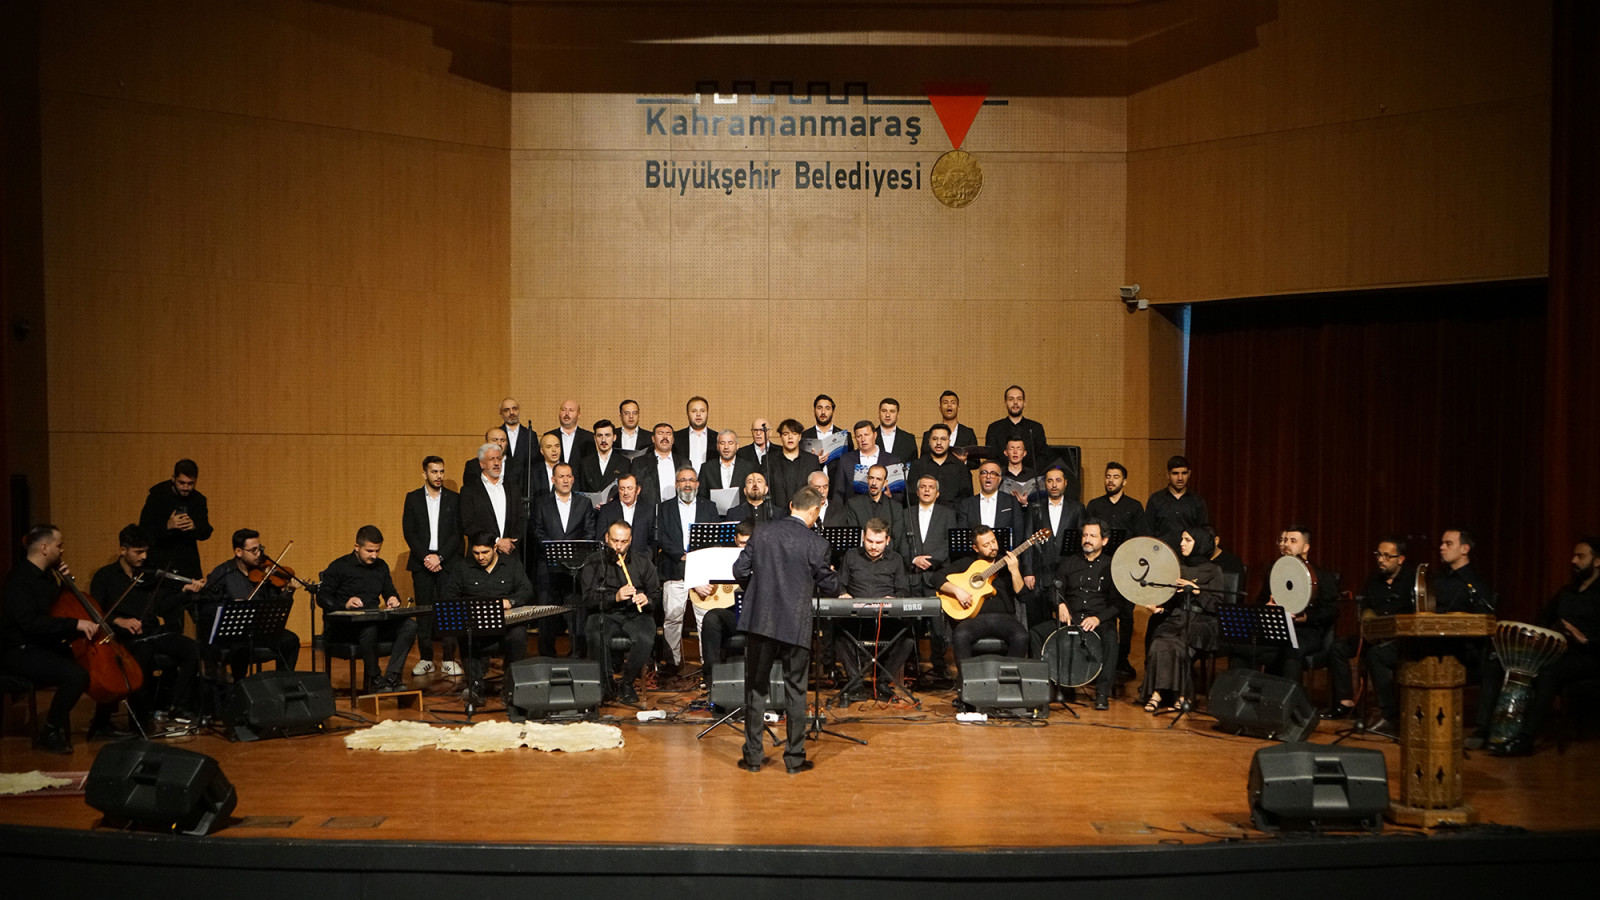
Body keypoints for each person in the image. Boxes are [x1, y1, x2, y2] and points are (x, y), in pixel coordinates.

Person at [733, 486, 839, 773]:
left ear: (791, 505)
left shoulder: (763, 532)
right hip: (796, 624)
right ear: (815, 511)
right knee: (796, 690)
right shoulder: (816, 543)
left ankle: (753, 758)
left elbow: (739, 570)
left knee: (755, 689)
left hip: (761, 621)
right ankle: (793, 759)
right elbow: (830, 585)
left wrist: (758, 589)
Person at [2, 525, 112, 753]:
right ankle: (50, 732)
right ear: (44, 548)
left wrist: (66, 582)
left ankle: (102, 723)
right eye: (59, 545)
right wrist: (75, 624)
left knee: (92, 662)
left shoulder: (48, 577)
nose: (62, 550)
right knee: (76, 675)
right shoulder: (19, 580)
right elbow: (31, 623)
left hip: (41, 645)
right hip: (19, 651)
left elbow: (59, 609)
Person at [90, 525, 204, 725]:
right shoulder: (105, 577)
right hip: (124, 637)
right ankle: (140, 719)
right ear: (123, 550)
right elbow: (95, 613)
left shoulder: (149, 575)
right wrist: (119, 620)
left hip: (152, 632)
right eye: (138, 552)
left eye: (146, 551)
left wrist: (183, 592)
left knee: (193, 649)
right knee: (143, 656)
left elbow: (162, 607)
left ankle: (177, 706)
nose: (143, 557)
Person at [1500, 537, 1600, 754]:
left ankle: (1526, 740)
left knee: (1549, 673)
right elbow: (1544, 618)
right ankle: (1503, 732)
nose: (1574, 561)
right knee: (1522, 665)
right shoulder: (1567, 592)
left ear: (1597, 561)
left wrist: (1585, 639)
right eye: (1574, 556)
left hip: (1591, 657)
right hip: (1563, 652)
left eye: (1580, 556)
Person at [318, 526, 419, 694]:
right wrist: (345, 604)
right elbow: (322, 597)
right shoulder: (340, 566)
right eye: (370, 551)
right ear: (357, 547)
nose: (374, 555)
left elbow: (389, 591)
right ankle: (375, 678)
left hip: (373, 622)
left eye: (377, 551)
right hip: (345, 628)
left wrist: (392, 598)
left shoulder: (381, 566)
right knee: (369, 628)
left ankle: (392, 676)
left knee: (410, 626)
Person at [1029, 519, 1117, 710]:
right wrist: (1060, 604)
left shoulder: (1113, 566)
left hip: (1098, 620)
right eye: (1085, 535)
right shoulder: (1069, 563)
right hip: (1071, 617)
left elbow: (1118, 604)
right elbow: (1055, 589)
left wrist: (1098, 618)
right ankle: (1044, 687)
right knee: (1035, 633)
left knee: (1111, 638)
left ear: (1104, 540)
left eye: (1092, 536)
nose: (1087, 539)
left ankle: (1102, 693)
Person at [195, 529, 302, 682]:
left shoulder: (264, 573)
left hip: (258, 629)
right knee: (241, 648)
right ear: (238, 552)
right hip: (234, 632)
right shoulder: (223, 573)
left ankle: (281, 683)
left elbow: (274, 603)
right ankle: (240, 686)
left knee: (290, 641)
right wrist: (229, 608)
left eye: (260, 549)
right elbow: (205, 605)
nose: (259, 554)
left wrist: (288, 591)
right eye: (253, 550)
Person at [441, 532, 534, 706]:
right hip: (476, 627)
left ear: (495, 548)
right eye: (476, 553)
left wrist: (511, 602)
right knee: (465, 633)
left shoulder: (511, 565)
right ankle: (475, 687)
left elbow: (526, 590)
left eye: (485, 552)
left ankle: (510, 686)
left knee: (519, 634)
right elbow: (449, 594)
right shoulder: (462, 567)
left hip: (505, 627)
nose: (480, 557)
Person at [1332, 537, 1415, 730]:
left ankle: (1388, 714)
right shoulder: (1373, 580)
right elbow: (1366, 609)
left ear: (1400, 559)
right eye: (1378, 555)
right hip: (1374, 635)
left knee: (1375, 655)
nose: (1380, 560)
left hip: (1400, 639)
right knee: (1338, 647)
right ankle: (1346, 702)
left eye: (1387, 556)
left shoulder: (1412, 580)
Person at [1140, 525, 1222, 712]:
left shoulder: (1214, 570)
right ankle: (1157, 693)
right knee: (1159, 642)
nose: (1181, 543)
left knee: (1178, 645)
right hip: (1178, 617)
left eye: (1188, 540)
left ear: (1200, 543)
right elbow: (1171, 600)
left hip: (1203, 621)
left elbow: (1217, 606)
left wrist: (1197, 591)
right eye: (1182, 539)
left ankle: (1182, 696)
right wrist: (1160, 608)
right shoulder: (1178, 568)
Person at [580, 522, 662, 704]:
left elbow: (656, 594)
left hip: (635, 614)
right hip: (604, 613)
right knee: (595, 634)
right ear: (606, 538)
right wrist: (615, 597)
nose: (618, 546)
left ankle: (627, 683)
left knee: (645, 638)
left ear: (630, 540)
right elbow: (588, 599)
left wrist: (647, 599)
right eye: (615, 541)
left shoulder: (642, 561)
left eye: (624, 542)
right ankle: (606, 684)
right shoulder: (594, 561)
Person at [833, 518, 912, 704]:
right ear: (863, 537)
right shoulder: (851, 556)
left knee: (907, 639)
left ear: (888, 540)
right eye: (869, 541)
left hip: (886, 619)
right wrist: (843, 594)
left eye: (879, 542)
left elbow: (903, 590)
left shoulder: (896, 559)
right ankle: (855, 684)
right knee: (838, 634)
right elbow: (839, 584)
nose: (874, 547)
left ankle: (882, 683)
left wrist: (894, 598)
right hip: (856, 618)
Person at [656, 465, 719, 673]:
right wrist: (681, 555)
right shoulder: (664, 508)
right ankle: (672, 664)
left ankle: (707, 665)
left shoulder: (709, 507)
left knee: (705, 621)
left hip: (702, 571)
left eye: (691, 480)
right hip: (674, 569)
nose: (687, 484)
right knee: (672, 619)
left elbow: (715, 537)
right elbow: (661, 538)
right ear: (676, 484)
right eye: (683, 480)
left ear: (697, 484)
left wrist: (695, 558)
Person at [403, 456, 463, 676]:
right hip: (423, 564)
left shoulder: (454, 499)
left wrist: (441, 557)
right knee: (424, 612)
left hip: (447, 563)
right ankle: (426, 658)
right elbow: (409, 531)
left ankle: (448, 658)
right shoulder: (413, 498)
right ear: (424, 474)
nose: (439, 476)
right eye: (434, 472)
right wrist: (427, 558)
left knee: (450, 611)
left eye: (441, 471)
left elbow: (458, 533)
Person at [531, 461, 597, 655]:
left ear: (573, 479)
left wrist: (573, 555)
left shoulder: (584, 503)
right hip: (548, 567)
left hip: (575, 569)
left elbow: (589, 532)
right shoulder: (541, 503)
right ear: (553, 480)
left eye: (569, 476)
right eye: (561, 476)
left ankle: (577, 655)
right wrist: (555, 551)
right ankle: (547, 656)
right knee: (547, 615)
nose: (566, 480)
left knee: (576, 614)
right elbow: (536, 531)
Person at [1086, 462, 1145, 676]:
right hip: (1099, 566)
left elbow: (1140, 538)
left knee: (1126, 615)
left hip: (1126, 568)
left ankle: (1122, 660)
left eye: (1116, 477)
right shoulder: (1094, 505)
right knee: (1100, 610)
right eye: (1108, 476)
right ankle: (1098, 659)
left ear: (1124, 481)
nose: (1111, 481)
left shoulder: (1135, 506)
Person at [939, 526, 1028, 662]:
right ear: (976, 548)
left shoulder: (1008, 562)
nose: (992, 547)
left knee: (1021, 636)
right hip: (974, 619)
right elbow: (936, 578)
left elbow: (1023, 595)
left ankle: (1007, 673)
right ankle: (966, 675)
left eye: (993, 541)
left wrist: (1015, 571)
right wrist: (958, 591)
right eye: (986, 545)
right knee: (960, 635)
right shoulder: (967, 563)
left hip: (1005, 618)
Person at [901, 475, 956, 682]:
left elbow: (949, 543)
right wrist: (914, 559)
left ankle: (939, 666)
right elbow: (899, 542)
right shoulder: (906, 513)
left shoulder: (947, 514)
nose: (926, 490)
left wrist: (930, 561)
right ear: (917, 492)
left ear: (937, 492)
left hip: (936, 576)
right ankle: (911, 664)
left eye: (931, 487)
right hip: (912, 577)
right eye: (922, 487)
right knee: (911, 624)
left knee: (938, 625)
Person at [1022, 466, 1085, 624]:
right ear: (1045, 484)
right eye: (1050, 481)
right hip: (1041, 572)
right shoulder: (1035, 507)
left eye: (1058, 480)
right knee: (1040, 621)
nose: (1054, 485)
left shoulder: (1077, 508)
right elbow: (1028, 539)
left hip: (1068, 572)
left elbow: (1081, 541)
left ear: (1065, 483)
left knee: (1067, 620)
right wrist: (1028, 571)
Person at [137, 459, 215, 580]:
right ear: (173, 478)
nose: (186, 487)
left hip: (187, 561)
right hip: (159, 558)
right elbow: (143, 530)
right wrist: (167, 526)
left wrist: (194, 526)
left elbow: (206, 531)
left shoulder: (198, 499)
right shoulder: (157, 496)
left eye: (190, 483)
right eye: (181, 482)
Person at [699, 522, 753, 690]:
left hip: (757, 616)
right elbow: (700, 572)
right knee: (711, 618)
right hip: (733, 613)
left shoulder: (765, 557)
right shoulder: (724, 557)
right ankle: (712, 679)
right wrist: (698, 584)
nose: (744, 547)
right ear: (735, 540)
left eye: (748, 543)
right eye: (741, 543)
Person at [459, 441, 525, 558]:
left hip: (510, 555)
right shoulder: (469, 490)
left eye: (499, 459)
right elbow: (468, 525)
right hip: (481, 556)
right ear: (482, 464)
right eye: (491, 459)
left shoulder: (513, 488)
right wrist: (496, 541)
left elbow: (521, 519)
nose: (496, 463)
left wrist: (510, 543)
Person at [956, 461, 1025, 551]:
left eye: (993, 473)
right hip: (975, 556)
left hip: (1004, 554)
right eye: (984, 473)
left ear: (999, 479)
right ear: (979, 477)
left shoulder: (1011, 501)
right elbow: (963, 534)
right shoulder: (966, 504)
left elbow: (1018, 532)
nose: (988, 476)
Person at [1145, 456, 1209, 550]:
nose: (1180, 478)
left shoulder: (1197, 501)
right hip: (1161, 553)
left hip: (1189, 555)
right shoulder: (1156, 499)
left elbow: (1203, 533)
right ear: (1168, 475)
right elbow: (1148, 531)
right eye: (1175, 473)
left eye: (1184, 473)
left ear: (1189, 474)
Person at [834, 420, 904, 502]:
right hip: (854, 508)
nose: (863, 439)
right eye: (859, 436)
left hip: (884, 507)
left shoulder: (892, 460)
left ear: (875, 435)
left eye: (866, 435)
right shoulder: (846, 460)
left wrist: (890, 497)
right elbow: (838, 492)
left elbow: (900, 494)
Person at [984, 385, 1049, 470]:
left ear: (1024, 403)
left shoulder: (1036, 428)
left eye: (1019, 399)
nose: (1015, 402)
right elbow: (991, 458)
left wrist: (1030, 474)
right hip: (1002, 476)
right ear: (1005, 403)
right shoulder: (994, 428)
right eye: (1011, 399)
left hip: (1031, 476)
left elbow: (1042, 457)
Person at [909, 423, 973, 506]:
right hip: (924, 512)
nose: (939, 443)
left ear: (949, 442)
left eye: (943, 439)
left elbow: (966, 497)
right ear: (929, 441)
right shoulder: (917, 465)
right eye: (935, 439)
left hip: (953, 513)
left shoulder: (960, 466)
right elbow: (912, 495)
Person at [597, 472, 657, 558]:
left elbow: (653, 540)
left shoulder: (648, 511)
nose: (625, 493)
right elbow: (601, 539)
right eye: (622, 489)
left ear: (638, 490)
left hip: (641, 561)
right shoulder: (606, 510)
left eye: (629, 488)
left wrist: (645, 558)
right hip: (613, 560)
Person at [765, 418, 820, 511]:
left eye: (794, 434)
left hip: (804, 512)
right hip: (776, 514)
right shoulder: (769, 460)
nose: (790, 437)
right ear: (780, 437)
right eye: (786, 434)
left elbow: (815, 490)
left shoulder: (812, 460)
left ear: (799, 437)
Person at [633, 422, 688, 506]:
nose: (665, 437)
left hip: (677, 509)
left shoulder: (684, 462)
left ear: (673, 440)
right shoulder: (640, 462)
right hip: (650, 509)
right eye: (660, 433)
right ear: (653, 439)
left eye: (668, 434)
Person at [698, 428, 756, 506]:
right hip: (714, 512)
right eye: (722, 443)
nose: (726, 447)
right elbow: (701, 496)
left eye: (730, 443)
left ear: (737, 446)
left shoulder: (748, 467)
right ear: (717, 446)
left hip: (742, 512)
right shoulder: (706, 468)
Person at [844, 464, 904, 537]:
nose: (874, 483)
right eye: (871, 478)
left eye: (878, 479)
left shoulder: (895, 508)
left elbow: (897, 538)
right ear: (867, 479)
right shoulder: (854, 504)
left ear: (885, 483)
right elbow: (854, 535)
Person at [921, 390, 979, 461]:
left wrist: (964, 462)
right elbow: (923, 460)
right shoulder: (928, 434)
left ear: (958, 407)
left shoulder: (968, 433)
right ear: (940, 408)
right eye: (945, 403)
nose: (949, 405)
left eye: (953, 403)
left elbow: (975, 462)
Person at [577, 419, 630, 496]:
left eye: (607, 435)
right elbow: (581, 491)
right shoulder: (585, 463)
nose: (603, 440)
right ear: (595, 438)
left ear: (614, 437)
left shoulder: (624, 462)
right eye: (599, 436)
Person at [546, 399, 594, 465]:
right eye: (563, 410)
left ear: (579, 415)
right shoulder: (549, 436)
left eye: (571, 410)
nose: (566, 413)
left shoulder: (588, 437)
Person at [676, 396, 714, 470]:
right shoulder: (676, 437)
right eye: (694, 411)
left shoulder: (717, 438)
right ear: (687, 414)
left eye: (702, 411)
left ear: (707, 413)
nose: (698, 414)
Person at [875, 397, 918, 462]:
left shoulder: (909, 439)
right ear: (879, 413)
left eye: (892, 411)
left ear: (898, 414)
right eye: (884, 411)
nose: (887, 415)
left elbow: (914, 465)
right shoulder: (869, 436)